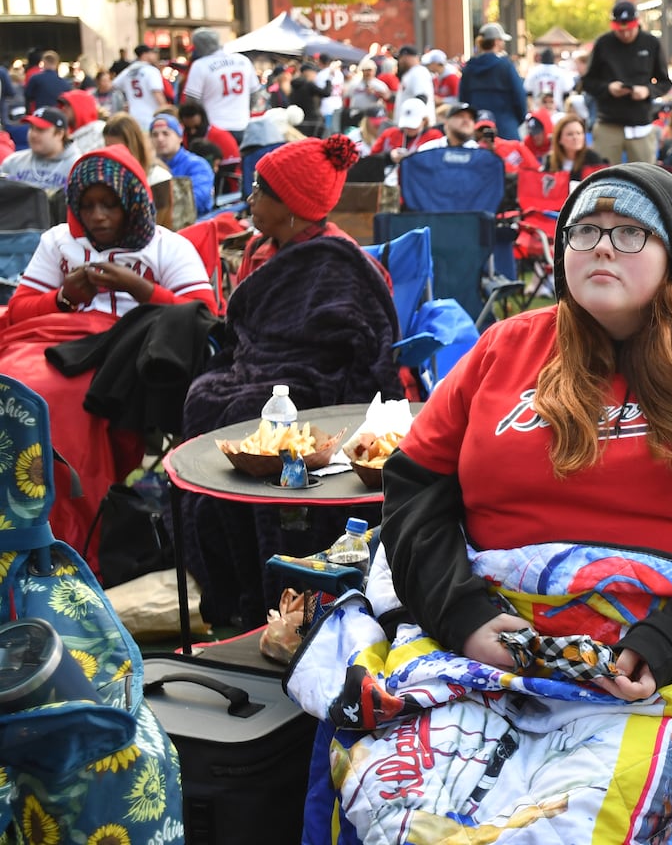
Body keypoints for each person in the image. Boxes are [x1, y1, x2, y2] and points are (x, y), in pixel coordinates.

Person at [300, 163, 672, 842]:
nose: (601, 246)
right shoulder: (506, 347)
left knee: (573, 824)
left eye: (630, 232)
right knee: (407, 808)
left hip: (664, 640)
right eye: (584, 230)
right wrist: (463, 614)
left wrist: (671, 636)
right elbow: (417, 486)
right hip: (490, 640)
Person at [180, 135, 402, 626]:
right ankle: (228, 578)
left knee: (245, 414)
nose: (251, 199)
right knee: (203, 397)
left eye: (261, 190)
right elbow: (249, 329)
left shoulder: (337, 263)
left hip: (314, 377)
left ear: (294, 209)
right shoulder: (264, 248)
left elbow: (362, 338)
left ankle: (272, 583)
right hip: (260, 364)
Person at [0, 146, 216, 566]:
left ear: (132, 203)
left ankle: (69, 530)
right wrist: (65, 296)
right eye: (87, 205)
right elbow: (19, 312)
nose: (97, 216)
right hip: (50, 341)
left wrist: (141, 290)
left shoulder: (167, 247)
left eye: (109, 205)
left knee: (58, 402)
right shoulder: (59, 241)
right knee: (11, 382)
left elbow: (204, 317)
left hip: (125, 349)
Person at [582, 1, 672, 164]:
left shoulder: (651, 43)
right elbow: (588, 82)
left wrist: (647, 91)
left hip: (641, 122)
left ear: (637, 24)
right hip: (608, 122)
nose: (625, 34)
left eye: (630, 29)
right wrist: (608, 88)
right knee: (604, 174)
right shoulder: (603, 43)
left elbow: (664, 82)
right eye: (620, 30)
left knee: (645, 176)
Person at [183, 28, 260, 139]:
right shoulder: (243, 60)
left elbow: (191, 101)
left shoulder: (200, 65)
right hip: (243, 125)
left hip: (215, 128)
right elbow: (255, 93)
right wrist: (244, 110)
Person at [458, 24, 528, 142]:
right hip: (506, 127)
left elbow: (463, 99)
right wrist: (516, 120)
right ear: (497, 42)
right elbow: (520, 96)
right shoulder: (506, 66)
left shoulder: (469, 68)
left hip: (477, 129)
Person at [1, 106, 82, 190]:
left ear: (59, 134)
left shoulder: (77, 167)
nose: (33, 134)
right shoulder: (13, 162)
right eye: (31, 128)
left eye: (40, 130)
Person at [150, 114, 214, 216]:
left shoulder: (197, 165)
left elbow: (197, 200)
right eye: (155, 135)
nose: (160, 139)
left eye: (166, 133)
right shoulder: (149, 167)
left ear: (180, 137)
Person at [113, 45, 168, 130]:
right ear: (144, 55)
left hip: (133, 119)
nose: (155, 55)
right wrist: (167, 112)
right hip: (151, 117)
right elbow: (157, 94)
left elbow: (113, 85)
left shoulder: (128, 71)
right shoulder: (151, 71)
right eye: (152, 53)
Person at [546, 112, 607, 182]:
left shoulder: (593, 158)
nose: (575, 137)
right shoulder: (550, 160)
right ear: (559, 139)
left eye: (579, 133)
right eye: (570, 134)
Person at [393, 46, 436, 127]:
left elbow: (422, 98)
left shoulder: (418, 72)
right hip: (411, 126)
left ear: (407, 57)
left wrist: (414, 120)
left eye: (401, 58)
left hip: (416, 126)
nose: (399, 62)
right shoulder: (411, 73)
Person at [55, 88, 106, 156]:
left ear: (81, 106)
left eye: (68, 105)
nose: (63, 108)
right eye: (62, 105)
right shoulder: (63, 135)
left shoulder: (99, 130)